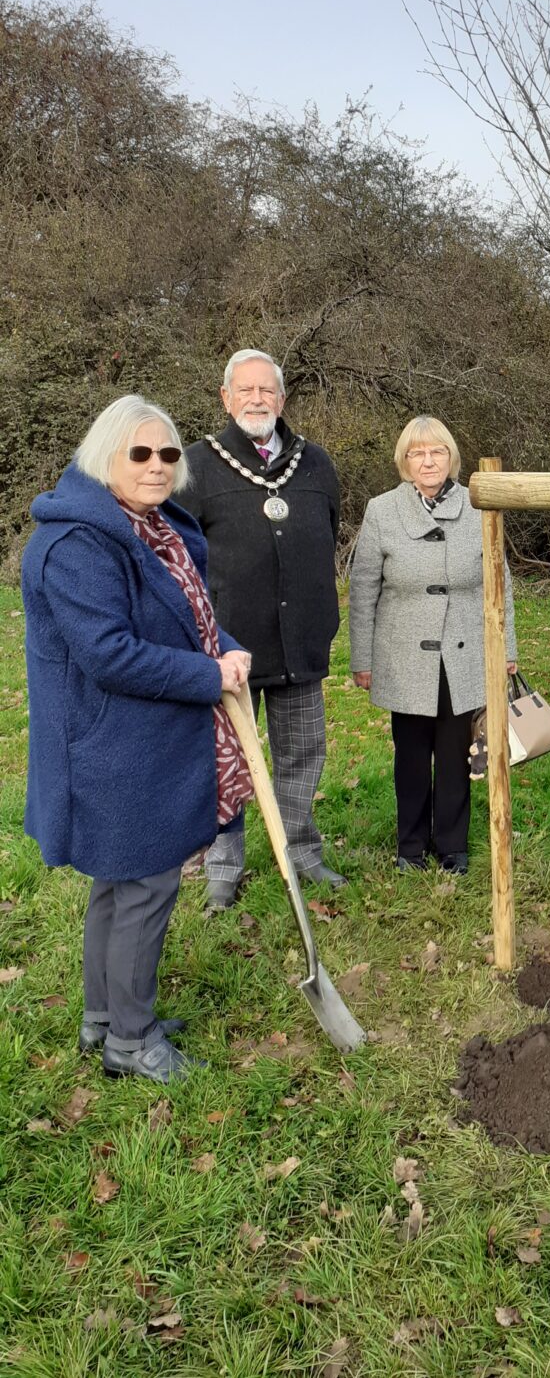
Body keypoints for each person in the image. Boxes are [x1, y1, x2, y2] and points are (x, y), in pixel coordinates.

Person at [22, 395, 253, 1083]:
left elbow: (193, 619)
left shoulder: (153, 526)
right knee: (145, 885)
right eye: (141, 453)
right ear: (106, 456)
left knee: (119, 885)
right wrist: (210, 676)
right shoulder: (77, 543)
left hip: (142, 737)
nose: (158, 466)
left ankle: (104, 1017)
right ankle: (131, 1038)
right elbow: (110, 653)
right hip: (112, 749)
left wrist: (226, 651)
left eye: (169, 454)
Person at [182, 350, 345, 909]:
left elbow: (328, 529)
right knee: (228, 757)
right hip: (230, 646)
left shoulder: (315, 463)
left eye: (267, 391)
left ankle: (301, 851)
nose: (257, 399)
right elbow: (179, 555)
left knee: (302, 752)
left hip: (300, 634)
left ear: (282, 399)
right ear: (226, 398)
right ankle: (223, 866)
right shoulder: (198, 465)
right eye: (245, 390)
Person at [348, 416, 516, 874]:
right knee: (412, 754)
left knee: (455, 752)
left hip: (464, 650)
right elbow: (363, 589)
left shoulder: (480, 506)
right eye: (418, 453)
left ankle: (453, 847)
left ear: (451, 458)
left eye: (437, 452)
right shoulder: (381, 511)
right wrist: (361, 658)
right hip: (402, 655)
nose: (428, 461)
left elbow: (500, 584)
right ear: (405, 460)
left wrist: (508, 650)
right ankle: (410, 847)